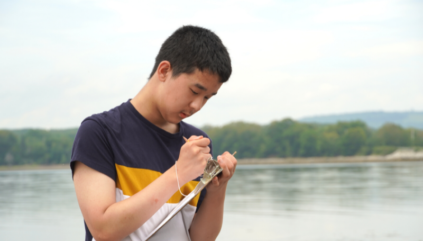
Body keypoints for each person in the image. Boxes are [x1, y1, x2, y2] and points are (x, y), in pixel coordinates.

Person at [70, 25, 237, 241]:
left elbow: (200, 238)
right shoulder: (100, 132)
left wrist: (217, 190)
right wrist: (179, 173)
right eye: (195, 91)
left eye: (207, 97)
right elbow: (103, 229)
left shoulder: (197, 145)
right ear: (164, 71)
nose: (197, 105)